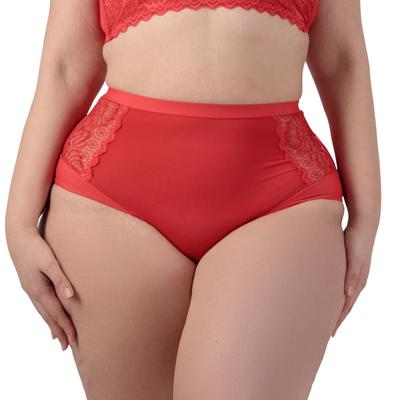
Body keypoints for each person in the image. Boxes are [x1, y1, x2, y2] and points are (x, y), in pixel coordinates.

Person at [5, 0, 380, 399]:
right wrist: (18, 223)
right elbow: (66, 67)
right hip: (110, 202)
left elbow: (342, 61)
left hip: (280, 201)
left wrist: (368, 214)